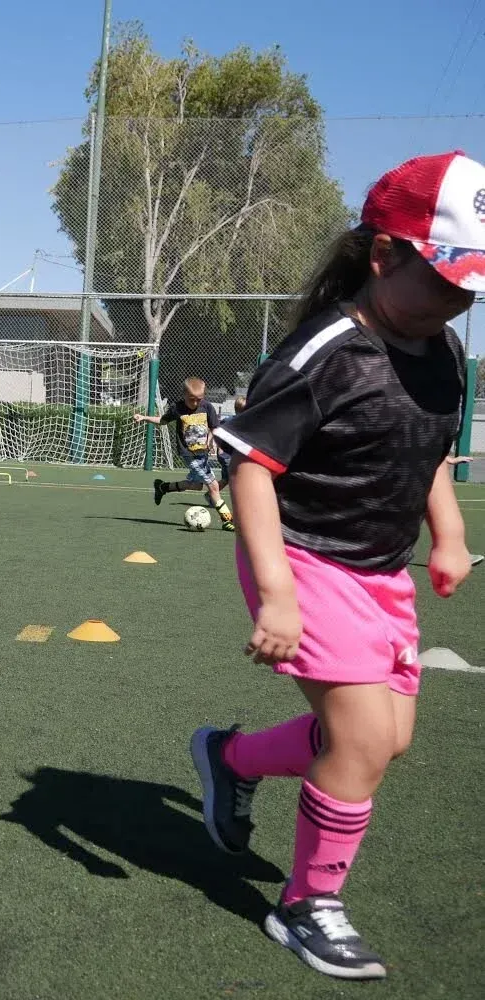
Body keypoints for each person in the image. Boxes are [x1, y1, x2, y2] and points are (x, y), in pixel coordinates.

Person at [193, 151, 480, 981]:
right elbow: (250, 464)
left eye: (472, 289)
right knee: (357, 738)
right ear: (384, 255)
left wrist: (449, 533)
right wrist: (275, 593)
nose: (459, 302)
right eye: (445, 279)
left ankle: (230, 758)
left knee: (385, 740)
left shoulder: (445, 355)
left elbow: (425, 450)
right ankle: (307, 903)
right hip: (304, 561)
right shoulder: (325, 350)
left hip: (380, 571)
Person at [133, 377, 234, 529]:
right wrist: (144, 418)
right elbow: (162, 420)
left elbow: (214, 428)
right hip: (189, 454)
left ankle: (163, 487)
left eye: (198, 400)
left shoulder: (207, 407)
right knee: (213, 486)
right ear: (184, 395)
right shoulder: (177, 408)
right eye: (191, 399)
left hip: (202, 454)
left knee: (195, 485)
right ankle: (227, 520)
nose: (195, 403)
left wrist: (211, 441)